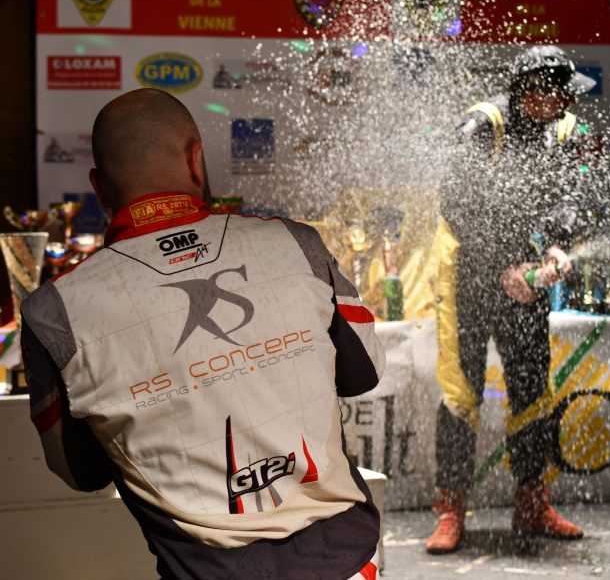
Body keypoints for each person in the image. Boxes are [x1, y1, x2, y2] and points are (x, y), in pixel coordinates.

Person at [20, 88, 386, 579]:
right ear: (198, 161)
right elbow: (364, 373)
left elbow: (79, 471)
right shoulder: (296, 244)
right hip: (345, 561)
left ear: (98, 188)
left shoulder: (53, 312)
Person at [426, 46, 600, 553]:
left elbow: (573, 197)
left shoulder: (562, 129)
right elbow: (456, 202)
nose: (567, 102)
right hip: (467, 268)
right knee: (462, 391)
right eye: (559, 92)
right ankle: (451, 510)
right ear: (533, 92)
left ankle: (532, 504)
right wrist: (507, 262)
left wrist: (558, 245)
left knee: (532, 385)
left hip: (523, 270)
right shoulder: (484, 125)